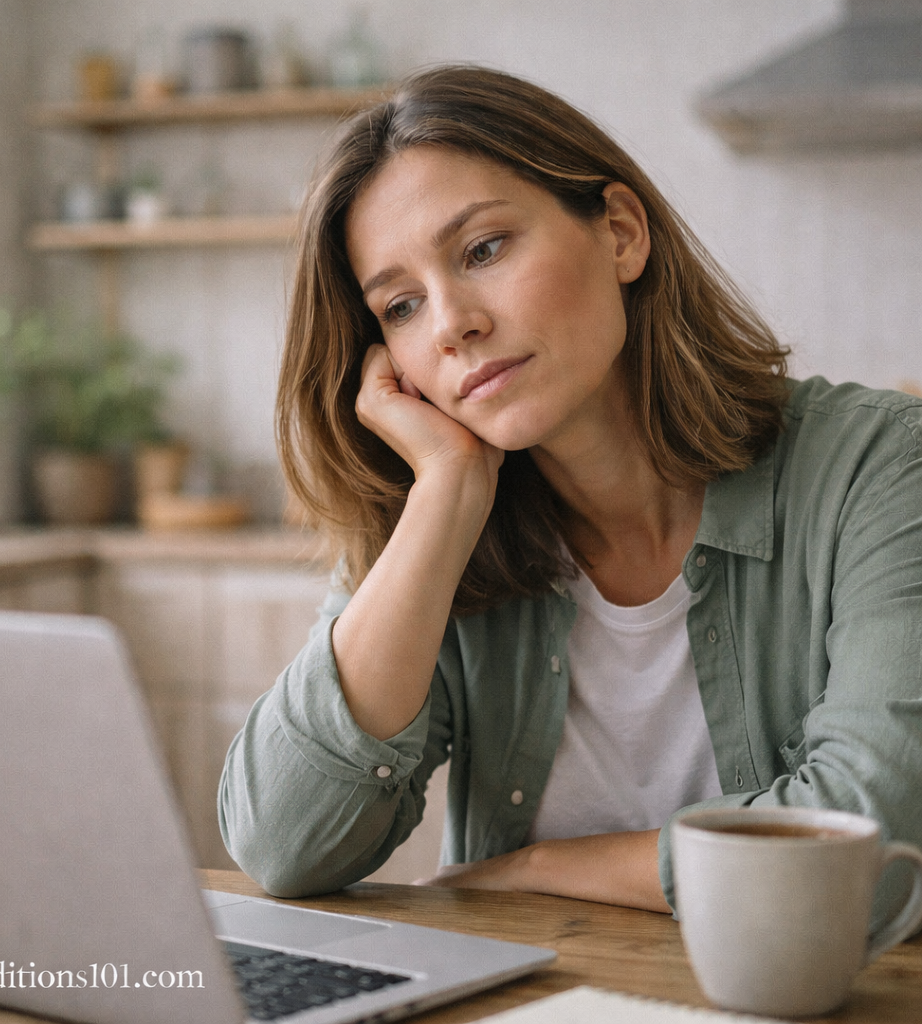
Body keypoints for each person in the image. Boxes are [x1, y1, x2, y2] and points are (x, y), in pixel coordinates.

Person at [218, 65, 922, 918]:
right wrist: (442, 498)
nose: (451, 325)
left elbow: (869, 836)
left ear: (621, 233)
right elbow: (282, 846)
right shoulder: (440, 531)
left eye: (483, 250)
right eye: (400, 306)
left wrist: (536, 866)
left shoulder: (881, 466)